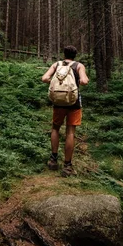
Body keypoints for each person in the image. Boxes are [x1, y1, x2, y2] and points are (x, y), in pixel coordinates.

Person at [41, 45, 89, 176]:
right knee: (70, 132)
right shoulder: (79, 66)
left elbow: (44, 78)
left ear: (64, 54)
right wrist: (81, 81)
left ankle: (53, 160)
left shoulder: (56, 65)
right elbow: (84, 81)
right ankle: (67, 166)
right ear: (75, 55)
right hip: (74, 103)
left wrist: (56, 83)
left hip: (58, 102)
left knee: (55, 128)